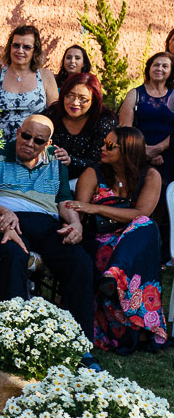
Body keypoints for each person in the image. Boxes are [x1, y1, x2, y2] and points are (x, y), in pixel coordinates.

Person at [0, 114, 97, 347]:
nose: (29, 143)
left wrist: (75, 223)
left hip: (46, 223)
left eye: (38, 140)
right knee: (15, 255)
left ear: (47, 143)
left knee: (79, 260)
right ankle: (14, 336)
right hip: (5, 219)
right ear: (18, 133)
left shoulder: (56, 161)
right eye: (26, 136)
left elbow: (64, 201)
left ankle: (80, 341)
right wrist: (3, 211)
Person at [67, 127, 166, 354]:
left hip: (134, 241)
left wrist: (95, 207)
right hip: (98, 240)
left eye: (110, 146)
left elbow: (140, 213)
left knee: (145, 225)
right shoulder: (94, 173)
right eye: (104, 142)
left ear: (128, 150)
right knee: (130, 240)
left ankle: (115, 274)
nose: (102, 148)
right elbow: (78, 212)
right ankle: (114, 281)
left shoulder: (150, 176)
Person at [0, 24, 58, 145]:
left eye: (27, 47)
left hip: (33, 148)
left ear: (35, 51)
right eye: (16, 45)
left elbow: (56, 115)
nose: (20, 50)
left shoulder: (45, 76)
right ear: (10, 47)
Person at [42, 72, 116, 180]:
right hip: (49, 176)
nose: (75, 103)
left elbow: (100, 160)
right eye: (70, 96)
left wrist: (71, 160)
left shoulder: (104, 121)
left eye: (83, 99)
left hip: (90, 179)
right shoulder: (52, 114)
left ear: (94, 99)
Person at [119, 51, 174, 184]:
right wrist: (145, 151)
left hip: (170, 154)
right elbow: (125, 128)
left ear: (171, 71)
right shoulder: (134, 94)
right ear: (149, 68)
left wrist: (158, 148)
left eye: (165, 66)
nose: (159, 69)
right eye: (156, 65)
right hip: (139, 155)